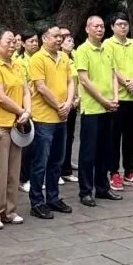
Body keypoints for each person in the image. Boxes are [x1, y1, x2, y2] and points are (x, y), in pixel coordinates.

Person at [0, 29, 30, 229]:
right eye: (8, 41)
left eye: (14, 41)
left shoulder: (18, 65)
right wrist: (20, 111)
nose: (12, 45)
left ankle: (9, 211)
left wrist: (27, 111)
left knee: (13, 171)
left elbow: (26, 90)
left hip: (17, 124)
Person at [73, 15, 122, 207]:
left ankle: (102, 187)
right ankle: (85, 191)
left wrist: (115, 97)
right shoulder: (82, 50)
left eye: (102, 26)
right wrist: (104, 101)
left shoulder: (107, 49)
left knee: (105, 150)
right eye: (95, 26)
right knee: (88, 152)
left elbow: (113, 74)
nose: (100, 29)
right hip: (92, 109)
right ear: (87, 29)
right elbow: (84, 80)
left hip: (108, 108)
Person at [27, 25, 74, 219]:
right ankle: (37, 201)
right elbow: (41, 87)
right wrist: (59, 106)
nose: (58, 39)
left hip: (61, 117)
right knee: (40, 162)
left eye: (60, 37)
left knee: (57, 160)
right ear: (44, 38)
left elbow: (71, 81)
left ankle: (53, 198)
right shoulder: (37, 59)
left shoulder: (63, 57)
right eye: (55, 36)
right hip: (43, 118)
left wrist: (69, 103)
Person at [105, 13, 133, 191]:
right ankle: (113, 172)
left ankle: (130, 171)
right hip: (117, 98)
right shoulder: (108, 44)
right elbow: (111, 68)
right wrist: (126, 83)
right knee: (114, 137)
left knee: (131, 137)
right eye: (120, 24)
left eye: (126, 24)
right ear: (112, 27)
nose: (123, 27)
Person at [16, 30, 40, 192]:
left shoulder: (40, 59)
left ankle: (34, 176)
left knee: (39, 145)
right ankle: (23, 178)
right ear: (23, 43)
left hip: (41, 107)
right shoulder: (19, 62)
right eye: (31, 41)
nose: (34, 43)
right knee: (27, 146)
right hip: (27, 107)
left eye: (36, 41)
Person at [59, 29, 78, 184]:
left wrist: (77, 99)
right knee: (61, 138)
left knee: (70, 136)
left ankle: (66, 167)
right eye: (67, 40)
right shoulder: (59, 59)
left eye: (72, 40)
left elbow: (78, 81)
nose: (71, 43)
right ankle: (59, 169)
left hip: (74, 103)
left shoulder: (74, 57)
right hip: (61, 104)